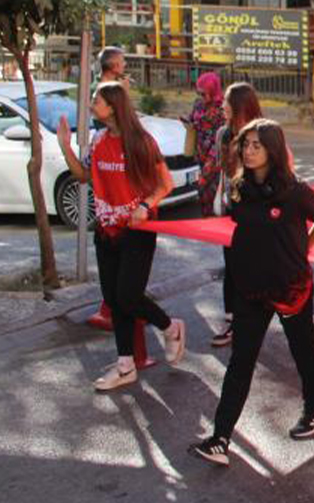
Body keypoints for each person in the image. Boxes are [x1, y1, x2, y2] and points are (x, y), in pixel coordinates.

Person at [188, 119, 314, 466]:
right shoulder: (238, 188)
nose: (249, 151)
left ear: (272, 148)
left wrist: (303, 251)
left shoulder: (294, 189)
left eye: (256, 145)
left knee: (303, 349)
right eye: (245, 145)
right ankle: (220, 438)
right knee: (241, 361)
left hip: (290, 287)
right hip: (249, 288)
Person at [55, 82, 186, 391]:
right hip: (106, 231)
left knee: (128, 295)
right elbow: (83, 175)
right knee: (115, 300)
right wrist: (65, 146)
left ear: (113, 106)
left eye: (96, 100)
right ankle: (125, 365)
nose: (91, 105)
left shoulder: (141, 141)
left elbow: (165, 184)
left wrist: (144, 206)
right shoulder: (99, 141)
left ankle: (171, 327)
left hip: (137, 232)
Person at [210, 82, 266, 348]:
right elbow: (223, 169)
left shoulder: (261, 133)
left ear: (240, 106)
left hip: (256, 211)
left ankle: (254, 317)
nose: (222, 106)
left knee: (253, 267)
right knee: (231, 266)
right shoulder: (223, 134)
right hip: (231, 210)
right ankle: (232, 319)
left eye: (226, 102)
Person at [85, 46, 133, 335]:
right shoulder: (107, 91)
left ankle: (116, 307)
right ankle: (112, 307)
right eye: (123, 60)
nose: (93, 105)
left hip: (121, 205)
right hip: (111, 200)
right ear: (113, 64)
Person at [183, 72, 226, 218]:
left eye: (204, 93)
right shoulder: (198, 103)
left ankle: (217, 219)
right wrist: (188, 122)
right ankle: (207, 219)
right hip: (201, 151)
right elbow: (192, 118)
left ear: (213, 90)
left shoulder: (223, 108)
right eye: (199, 93)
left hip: (216, 153)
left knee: (205, 184)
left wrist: (213, 159)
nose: (201, 96)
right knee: (204, 191)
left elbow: (224, 134)